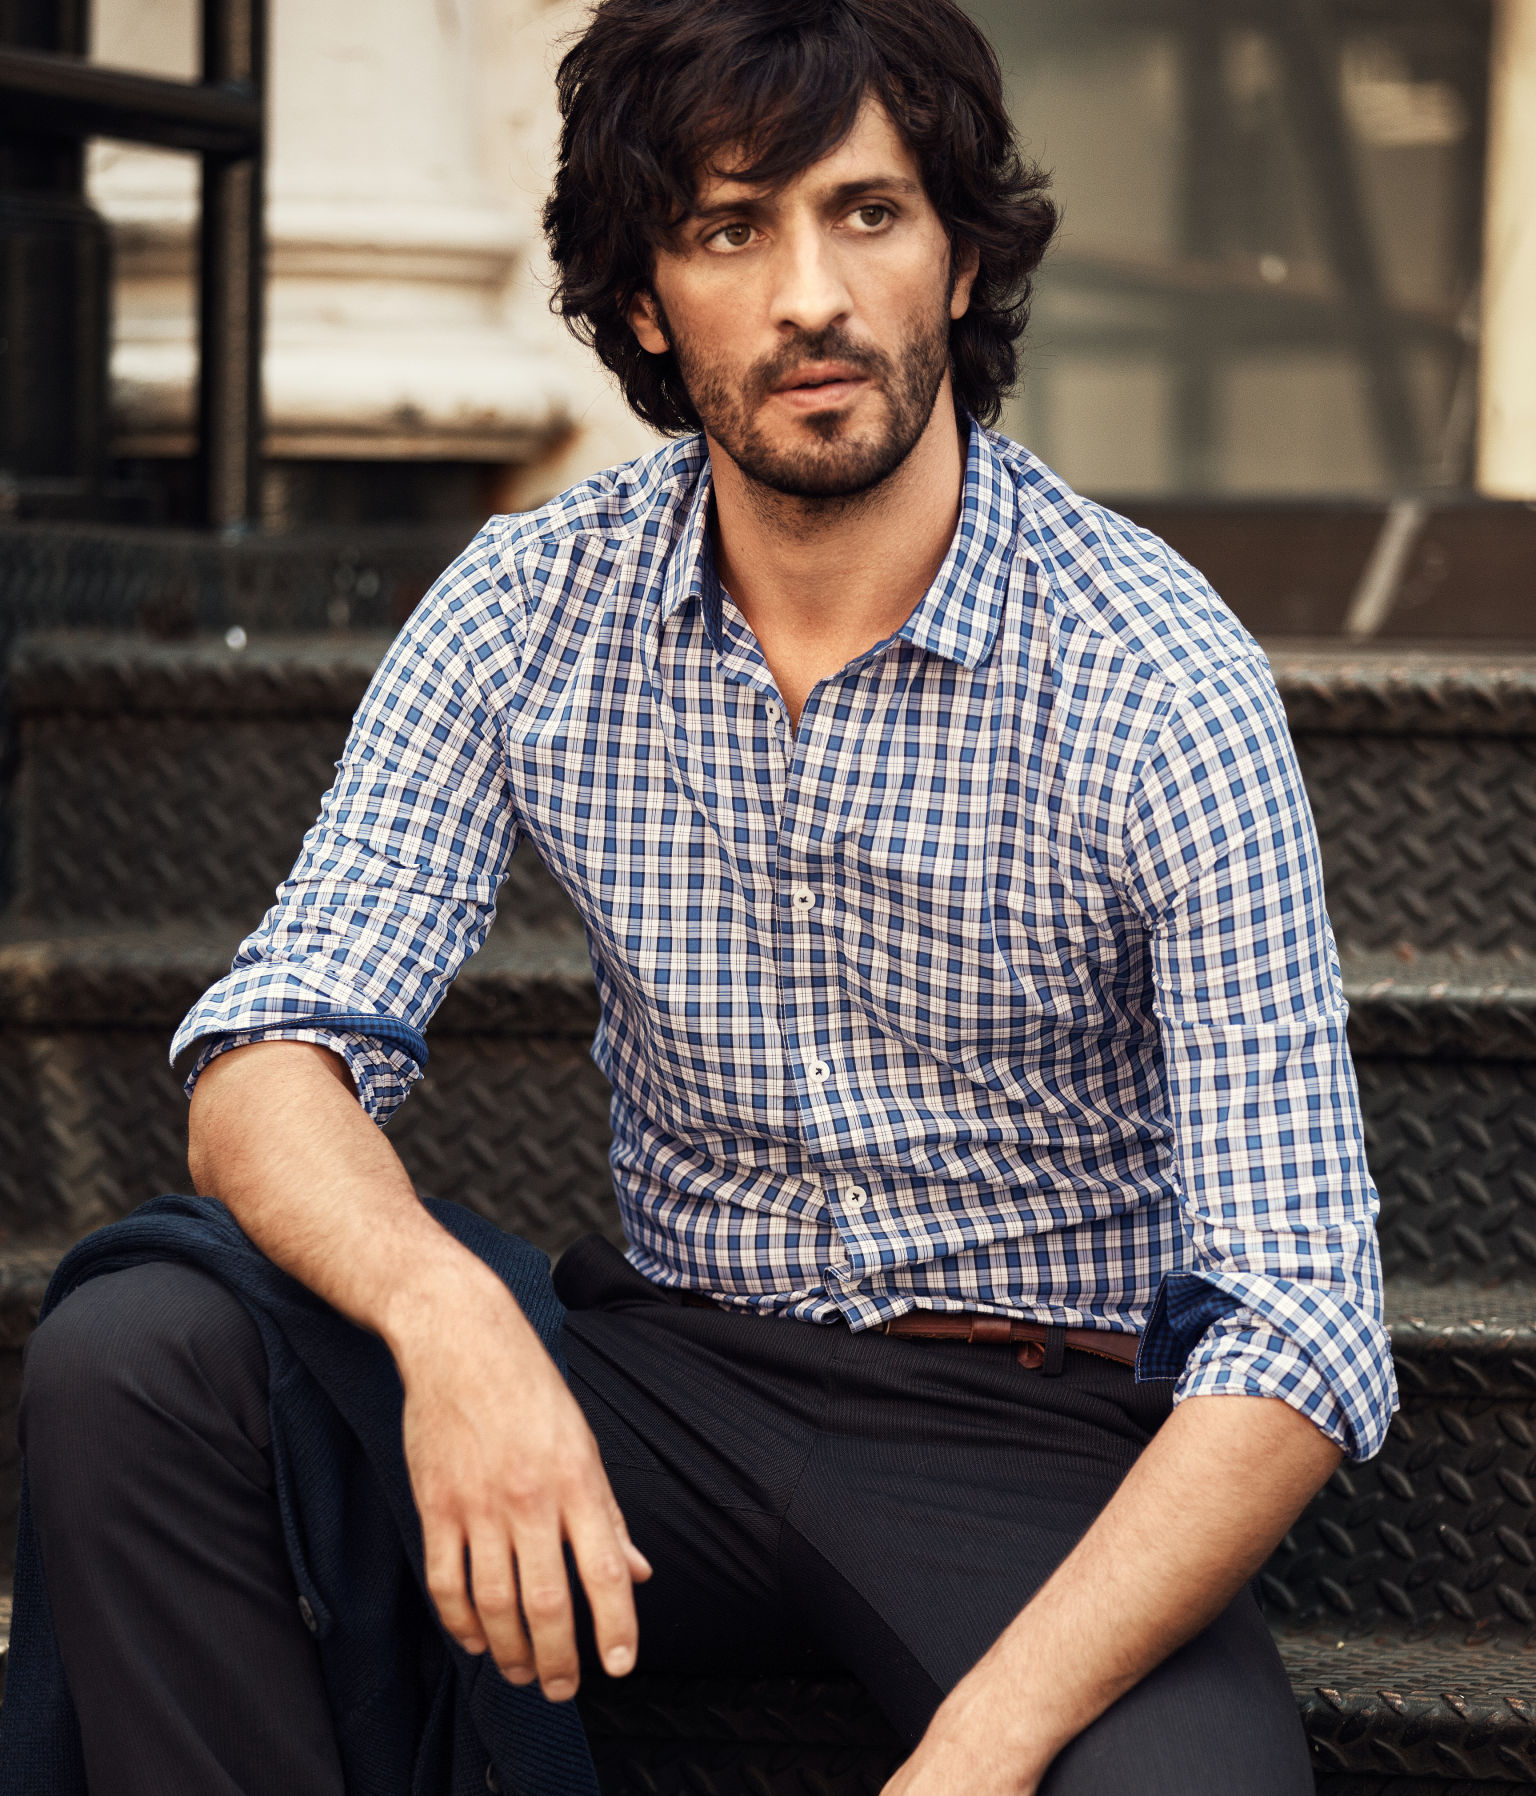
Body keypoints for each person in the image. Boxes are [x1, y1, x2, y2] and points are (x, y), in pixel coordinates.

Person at [16, 0, 1396, 1791]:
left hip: (1029, 1426)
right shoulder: (533, 602)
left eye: (868, 213)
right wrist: (455, 1323)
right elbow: (267, 1057)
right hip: (664, 1383)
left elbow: (1300, 1311)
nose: (811, 296)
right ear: (649, 303)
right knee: (143, 1356)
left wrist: (980, 1747)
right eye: (731, 228)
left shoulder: (1151, 670)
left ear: (964, 259)